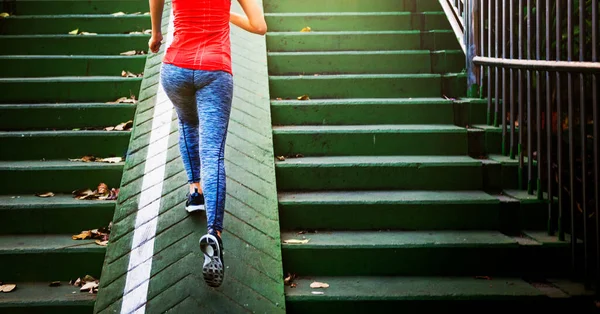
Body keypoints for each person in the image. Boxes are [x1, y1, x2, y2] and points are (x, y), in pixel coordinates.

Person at [148, 0, 267, 288]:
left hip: (175, 68)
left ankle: (195, 191)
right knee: (212, 152)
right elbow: (259, 27)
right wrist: (222, 12)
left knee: (188, 123)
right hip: (214, 69)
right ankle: (214, 233)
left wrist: (156, 34)